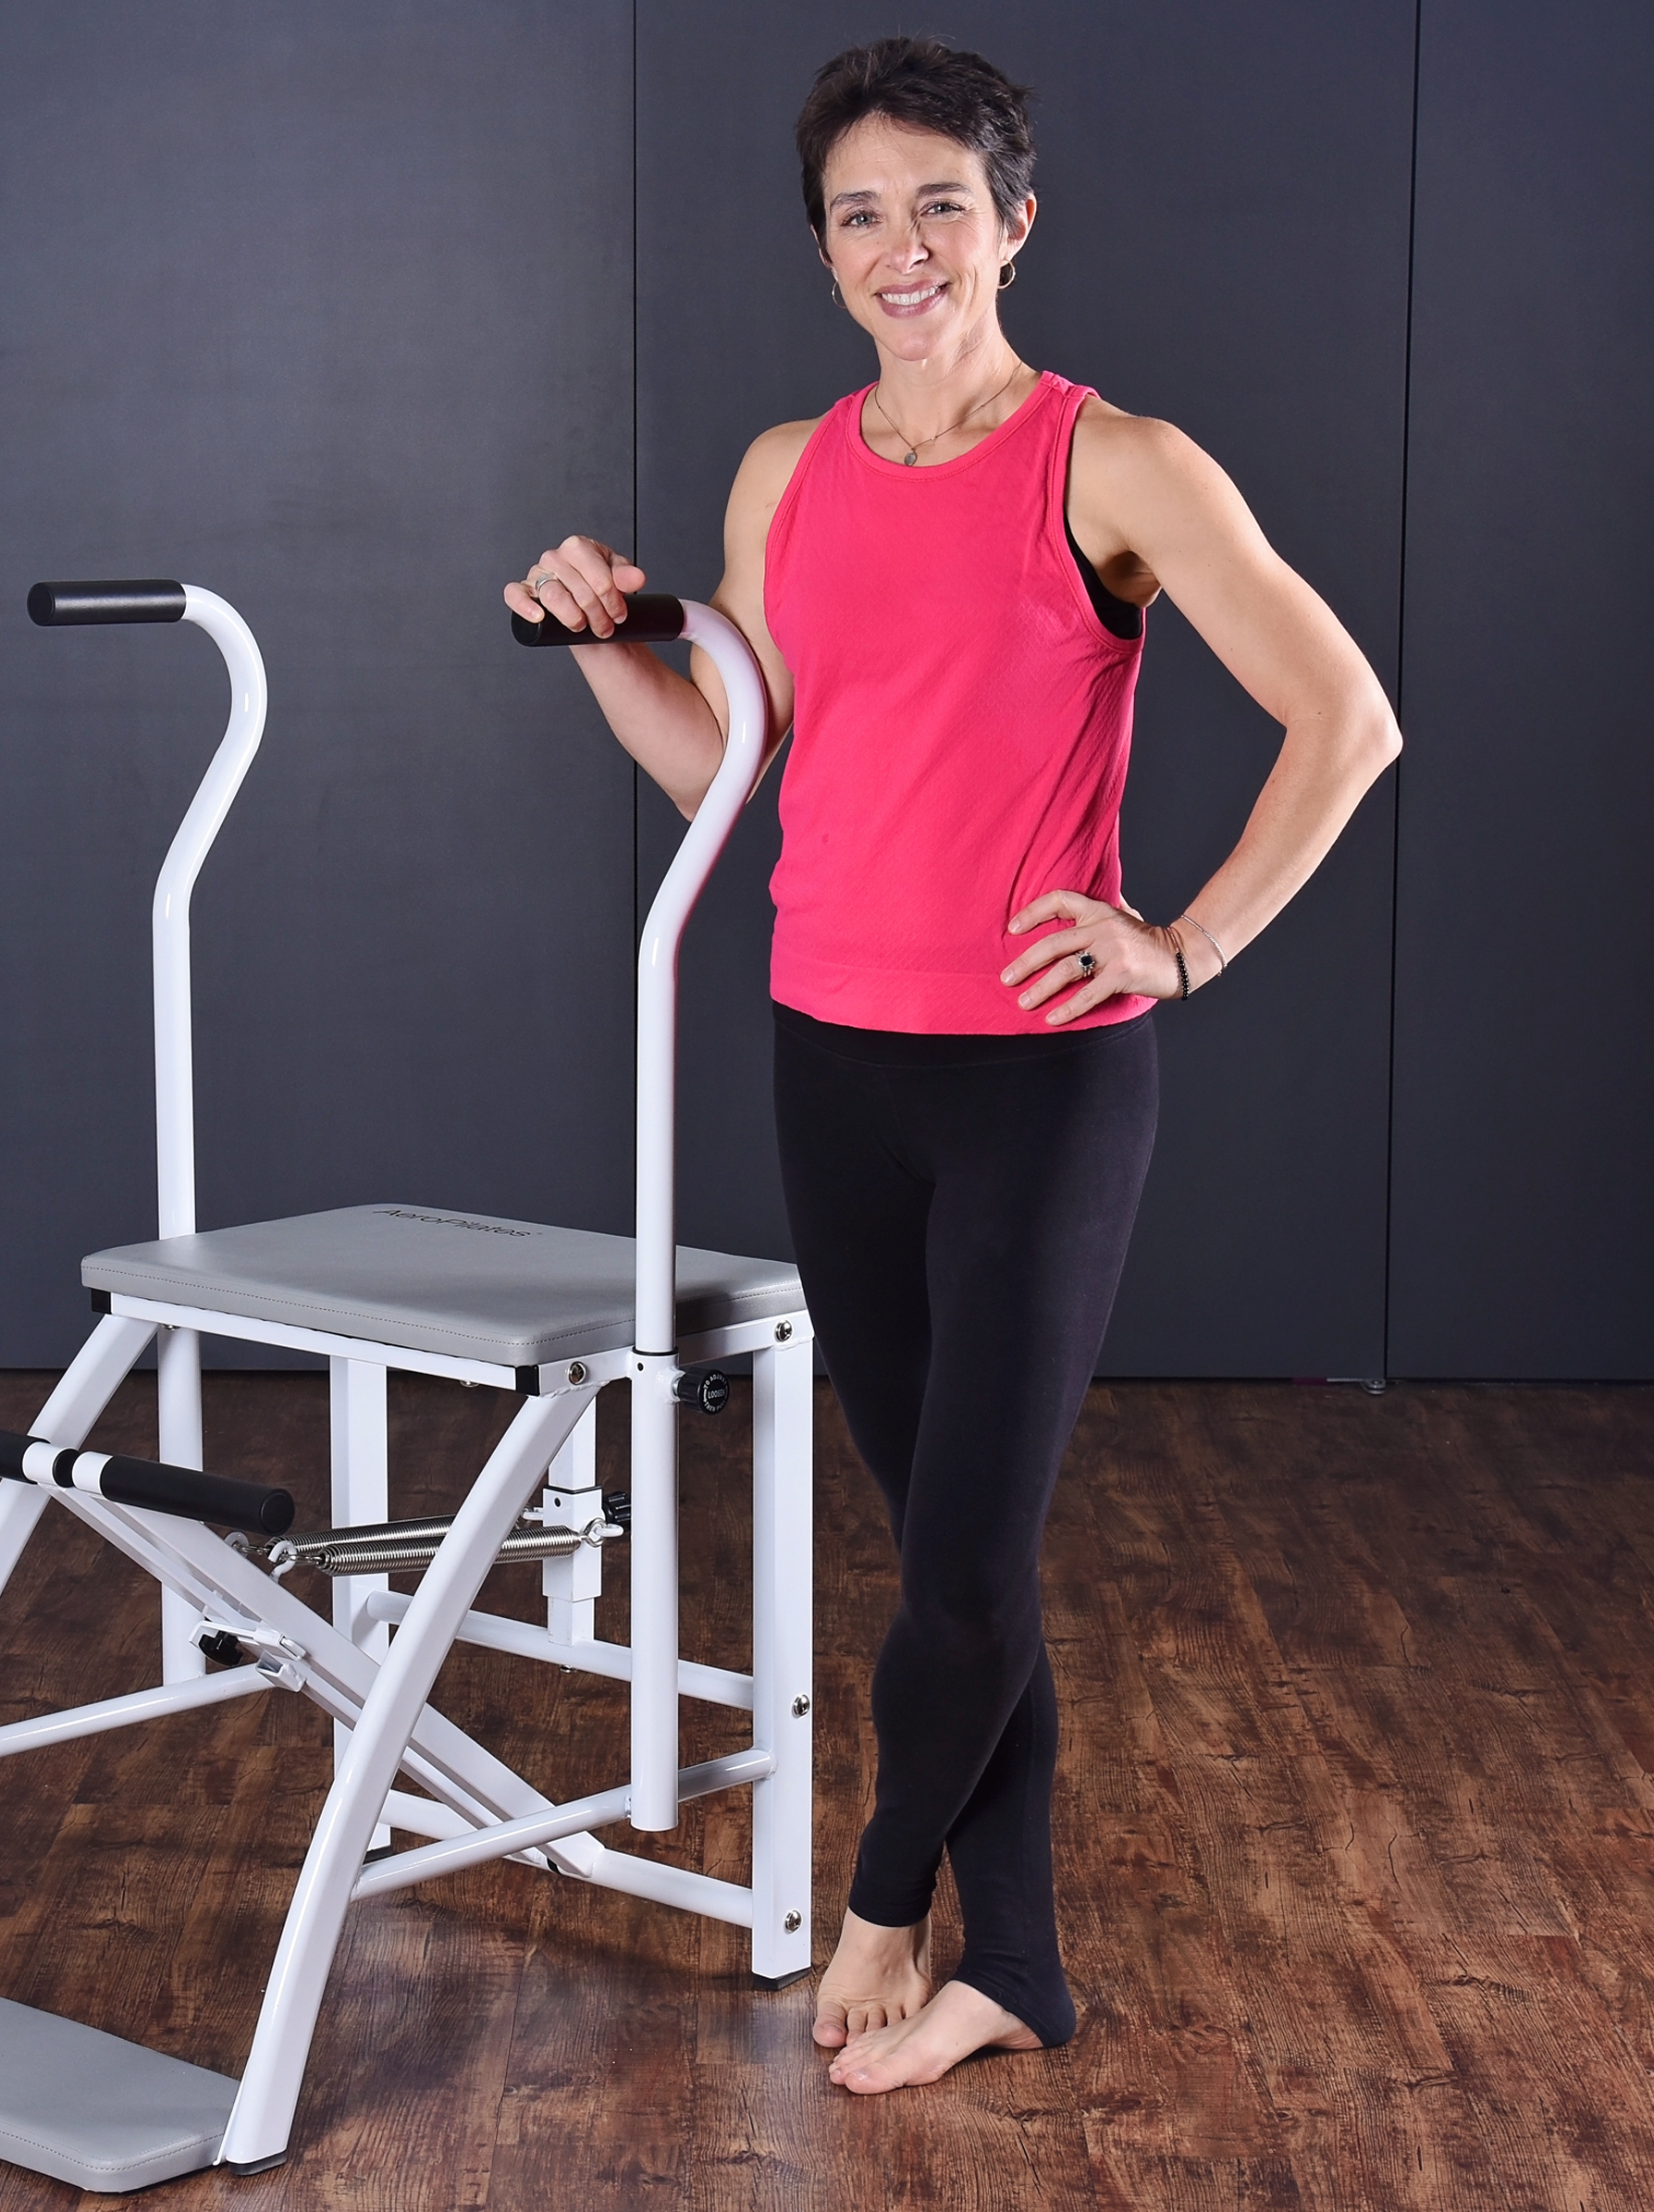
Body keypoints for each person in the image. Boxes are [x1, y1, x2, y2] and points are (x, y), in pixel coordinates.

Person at [503, 37, 1399, 2095]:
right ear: (822, 252)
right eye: (858, 215)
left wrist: (1181, 943)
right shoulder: (780, 474)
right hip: (831, 1061)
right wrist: (605, 651)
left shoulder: (1117, 465)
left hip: (1033, 1083)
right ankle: (1027, 1970)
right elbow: (726, 771)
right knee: (948, 1568)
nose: (898, 246)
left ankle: (887, 1901)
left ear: (1011, 225)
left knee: (974, 1570)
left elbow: (1345, 717)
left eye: (937, 206)